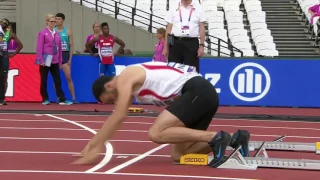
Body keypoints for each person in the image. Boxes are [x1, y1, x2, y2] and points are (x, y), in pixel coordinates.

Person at [72, 61, 250, 167]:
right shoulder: (132, 87)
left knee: (156, 133)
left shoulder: (126, 76)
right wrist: (93, 144)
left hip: (197, 91)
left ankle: (215, 137)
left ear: (109, 86)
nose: (114, 103)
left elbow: (118, 116)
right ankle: (234, 139)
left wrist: (94, 145)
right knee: (179, 156)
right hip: (199, 97)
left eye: (110, 99)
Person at [35, 14, 73, 105]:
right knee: (44, 79)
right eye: (51, 21)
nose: (53, 23)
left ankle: (61, 98)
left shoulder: (57, 34)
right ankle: (45, 99)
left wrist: (60, 61)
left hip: (55, 59)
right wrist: (40, 60)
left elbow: (59, 49)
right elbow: (39, 47)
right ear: (47, 22)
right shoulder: (43, 33)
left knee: (57, 79)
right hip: (45, 59)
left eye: (54, 21)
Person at [163, 0, 206, 72]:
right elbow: (168, 29)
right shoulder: (174, 6)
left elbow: (202, 28)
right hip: (175, 42)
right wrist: (165, 47)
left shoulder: (198, 7)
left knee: (192, 71)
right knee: (173, 71)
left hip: (191, 43)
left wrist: (202, 45)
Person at [54, 13, 78, 103]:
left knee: (68, 77)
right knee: (56, 79)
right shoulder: (53, 31)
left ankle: (74, 98)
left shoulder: (68, 31)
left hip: (65, 54)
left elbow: (71, 45)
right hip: (56, 55)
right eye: (56, 19)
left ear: (63, 20)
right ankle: (59, 97)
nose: (57, 20)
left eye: (59, 19)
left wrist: (70, 59)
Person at [0, 18, 23, 105]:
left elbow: (20, 45)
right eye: (1, 22)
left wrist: (13, 54)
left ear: (8, 25)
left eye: (5, 23)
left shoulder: (10, 34)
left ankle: (2, 98)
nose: (3, 23)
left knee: (4, 78)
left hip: (4, 57)